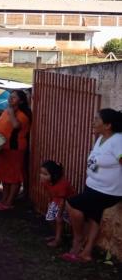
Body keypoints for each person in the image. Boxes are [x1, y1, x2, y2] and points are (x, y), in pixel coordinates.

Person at [62, 109, 122, 263]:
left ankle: (78, 239)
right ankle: (86, 253)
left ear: (108, 125)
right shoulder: (101, 138)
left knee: (72, 204)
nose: (93, 122)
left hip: (107, 191)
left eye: (97, 119)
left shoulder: (118, 141)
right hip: (93, 186)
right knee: (94, 218)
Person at [0, 90, 32, 211]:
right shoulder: (8, 110)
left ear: (21, 101)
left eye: (14, 98)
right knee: (5, 175)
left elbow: (16, 126)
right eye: (10, 97)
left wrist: (11, 113)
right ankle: (4, 199)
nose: (10, 99)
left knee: (14, 176)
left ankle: (9, 202)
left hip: (15, 148)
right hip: (3, 147)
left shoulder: (24, 113)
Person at [40, 160, 74, 248]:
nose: (41, 176)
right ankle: (58, 235)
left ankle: (58, 240)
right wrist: (50, 202)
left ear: (54, 175)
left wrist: (59, 215)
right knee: (50, 218)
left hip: (67, 203)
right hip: (56, 201)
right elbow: (50, 193)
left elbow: (63, 200)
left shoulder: (62, 184)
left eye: (45, 174)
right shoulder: (46, 182)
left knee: (59, 220)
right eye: (41, 173)